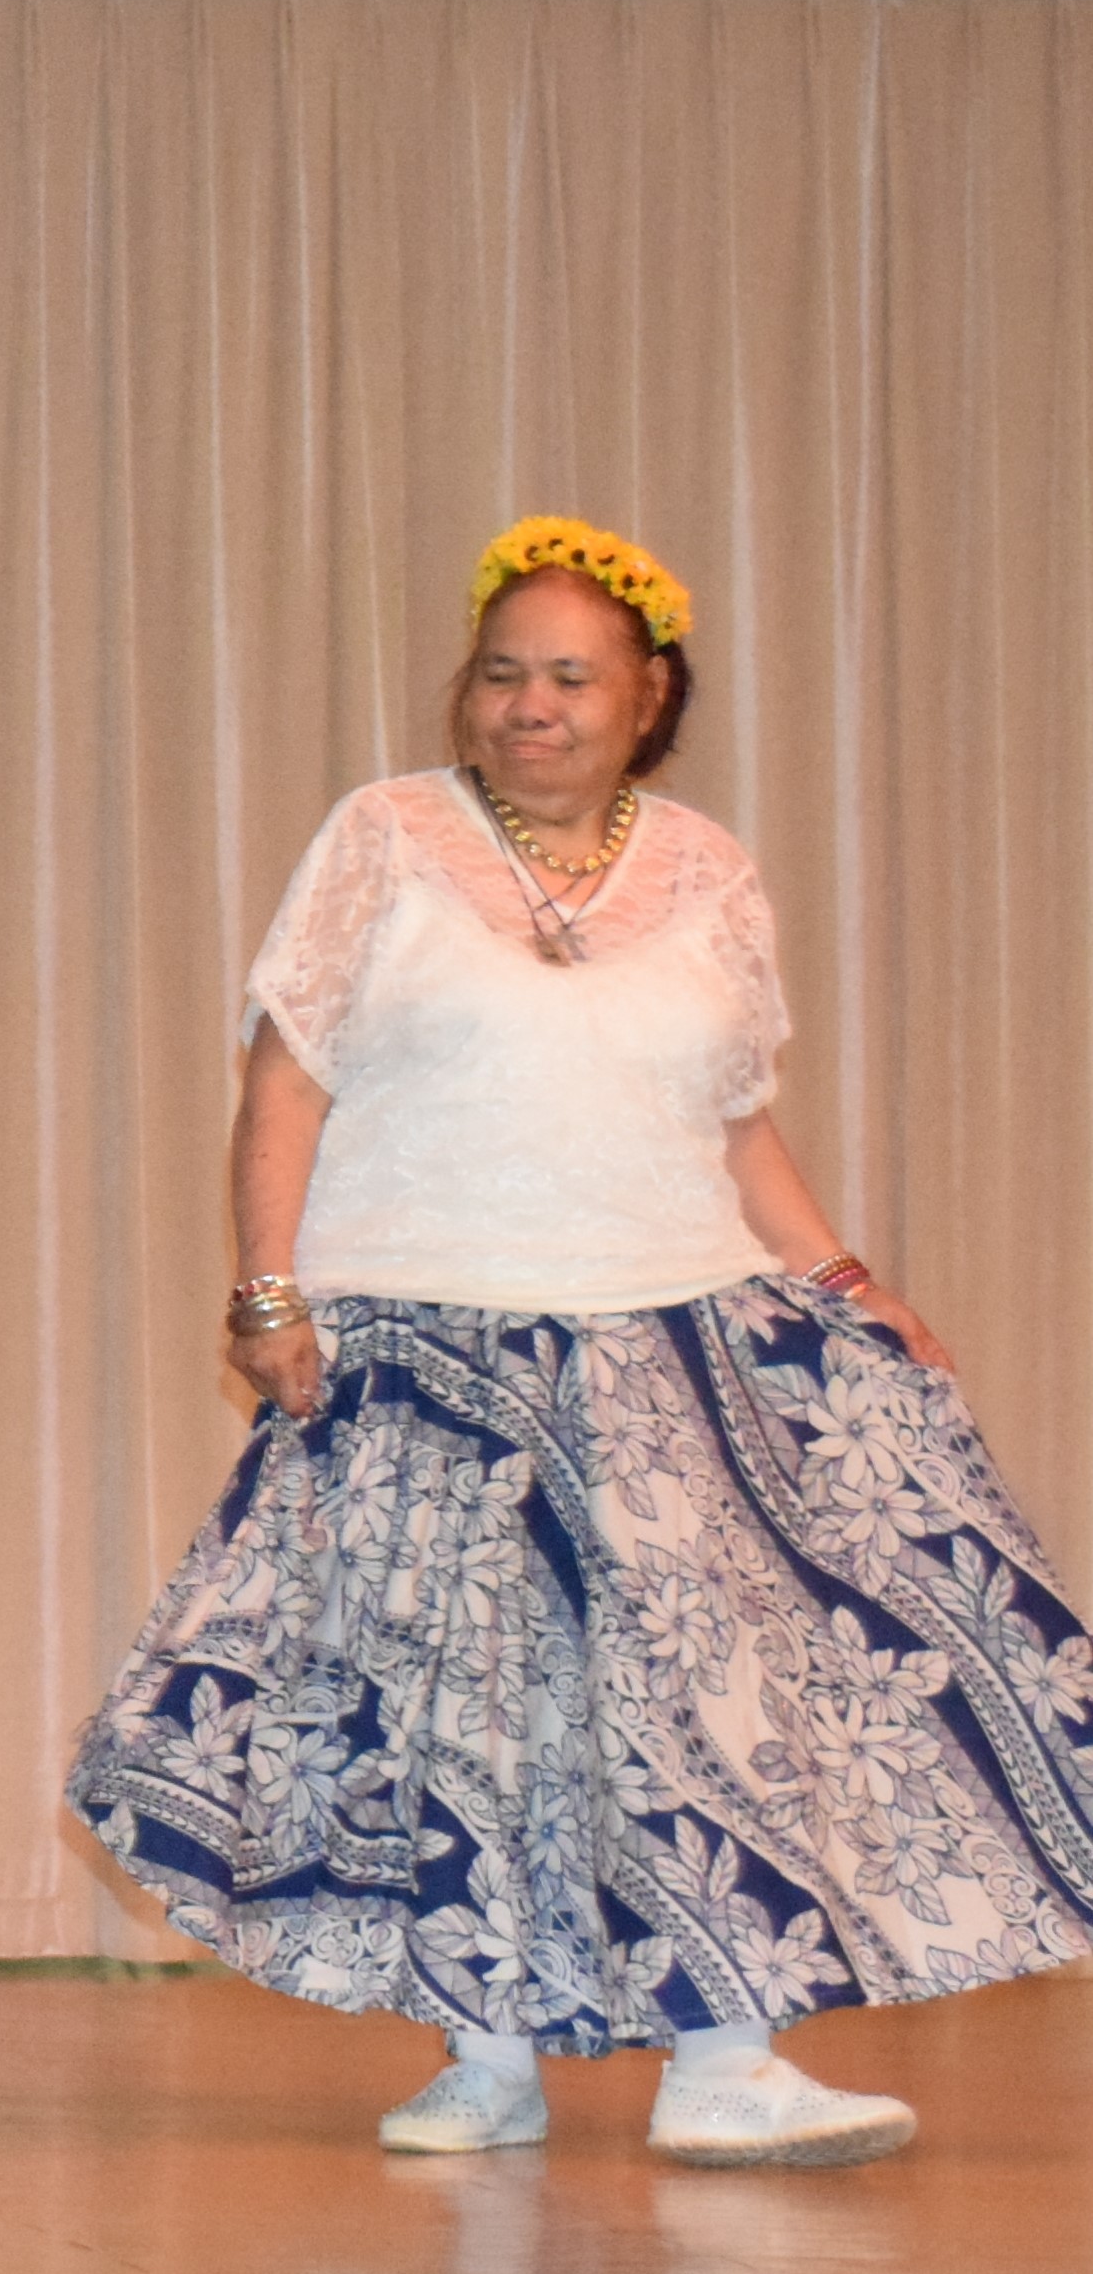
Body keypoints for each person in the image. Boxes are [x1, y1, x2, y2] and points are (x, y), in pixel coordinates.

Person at [72, 516, 1093, 2169]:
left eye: (566, 675)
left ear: (645, 692)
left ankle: (723, 2061)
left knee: (708, 1695)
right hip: (422, 1327)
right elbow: (283, 1078)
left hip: (667, 1328)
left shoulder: (704, 867)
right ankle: (480, 2054)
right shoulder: (382, 839)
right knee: (454, 1708)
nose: (526, 705)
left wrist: (843, 1279)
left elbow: (735, 1126)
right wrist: (263, 1288)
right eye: (498, 672)